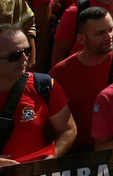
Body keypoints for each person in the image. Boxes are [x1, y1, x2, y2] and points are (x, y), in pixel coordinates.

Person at [48, 7, 113, 150]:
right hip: (81, 155)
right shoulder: (59, 74)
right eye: (100, 33)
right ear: (81, 39)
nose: (109, 36)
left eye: (111, 29)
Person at [0, 23, 74, 164]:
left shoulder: (44, 86)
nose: (24, 59)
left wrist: (49, 160)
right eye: (14, 56)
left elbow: (68, 129)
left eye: (27, 51)